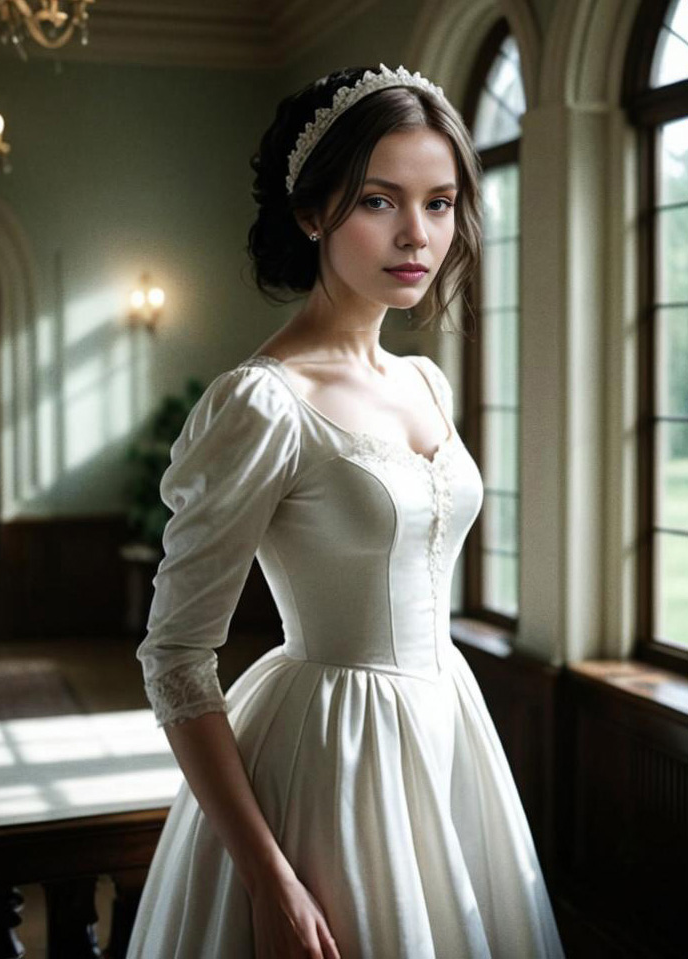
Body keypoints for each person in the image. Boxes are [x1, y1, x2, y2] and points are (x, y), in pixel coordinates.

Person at [125, 64, 566, 959]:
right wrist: (268, 874)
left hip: (450, 728)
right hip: (330, 756)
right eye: (378, 200)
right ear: (310, 211)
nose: (417, 234)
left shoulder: (422, 380)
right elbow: (174, 657)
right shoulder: (263, 403)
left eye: (439, 203)